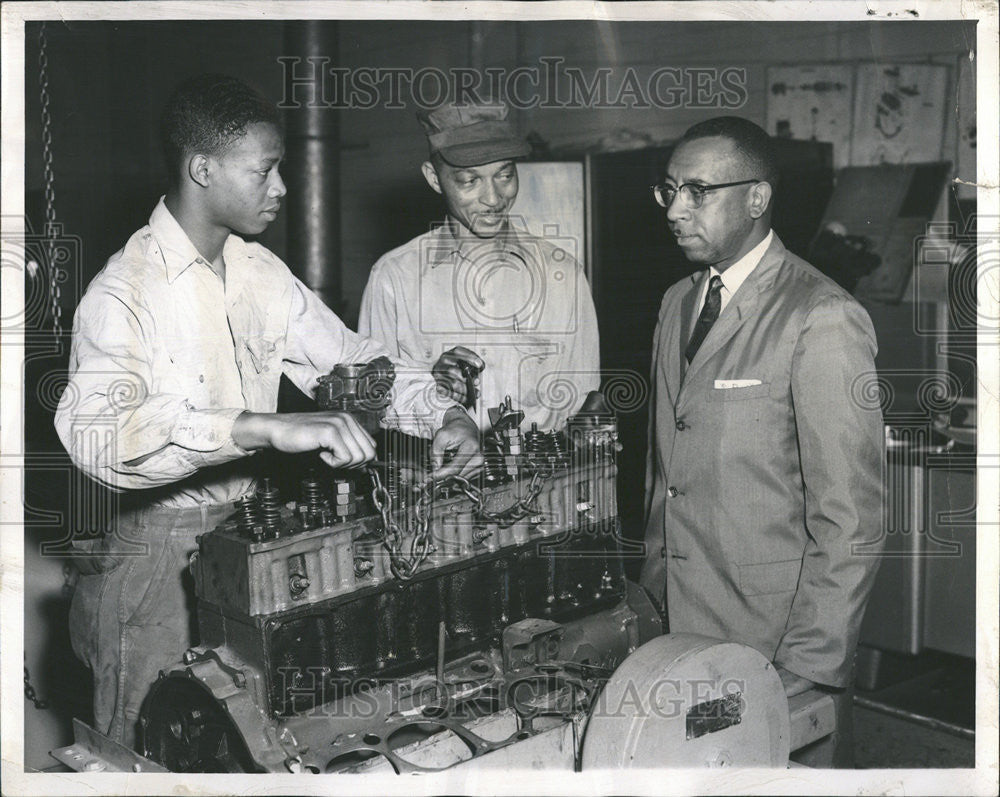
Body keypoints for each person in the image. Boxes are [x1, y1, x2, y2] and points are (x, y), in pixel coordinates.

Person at [53, 74, 481, 750]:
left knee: (249, 743)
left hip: (245, 538)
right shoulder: (124, 291)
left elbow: (354, 361)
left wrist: (442, 413)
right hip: (151, 558)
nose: (281, 187)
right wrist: (264, 426)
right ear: (203, 168)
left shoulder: (259, 274)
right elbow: (100, 436)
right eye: (265, 169)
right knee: (148, 752)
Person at [638, 116, 884, 766]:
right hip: (678, 631)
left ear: (756, 197)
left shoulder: (819, 316)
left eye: (699, 191)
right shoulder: (675, 305)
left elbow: (851, 519)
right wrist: (649, 592)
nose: (677, 210)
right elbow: (667, 469)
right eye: (669, 190)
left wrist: (806, 668)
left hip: (774, 645)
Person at [358, 101, 603, 432]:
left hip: (539, 477)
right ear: (434, 178)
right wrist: (433, 389)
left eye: (504, 175)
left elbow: (584, 404)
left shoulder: (563, 276)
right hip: (436, 477)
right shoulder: (394, 277)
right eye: (469, 180)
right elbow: (371, 406)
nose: (493, 198)